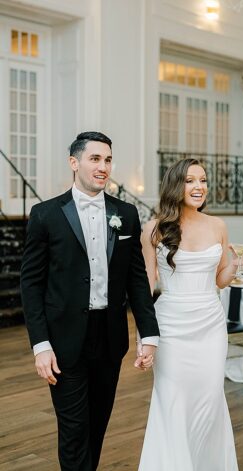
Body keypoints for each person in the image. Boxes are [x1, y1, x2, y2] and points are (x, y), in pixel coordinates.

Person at [21, 131, 160, 470]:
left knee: (96, 425)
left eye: (108, 159)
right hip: (63, 339)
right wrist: (41, 344)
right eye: (95, 159)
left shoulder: (126, 214)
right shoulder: (45, 214)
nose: (103, 167)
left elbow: (137, 280)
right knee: (73, 428)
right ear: (74, 162)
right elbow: (31, 284)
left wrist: (149, 335)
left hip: (109, 337)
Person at [138, 158, 243, 470]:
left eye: (203, 180)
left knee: (209, 401)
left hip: (210, 325)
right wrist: (144, 338)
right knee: (172, 402)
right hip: (170, 326)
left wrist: (237, 264)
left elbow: (220, 279)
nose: (199, 187)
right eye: (190, 180)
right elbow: (146, 288)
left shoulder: (218, 226)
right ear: (176, 185)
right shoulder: (153, 230)